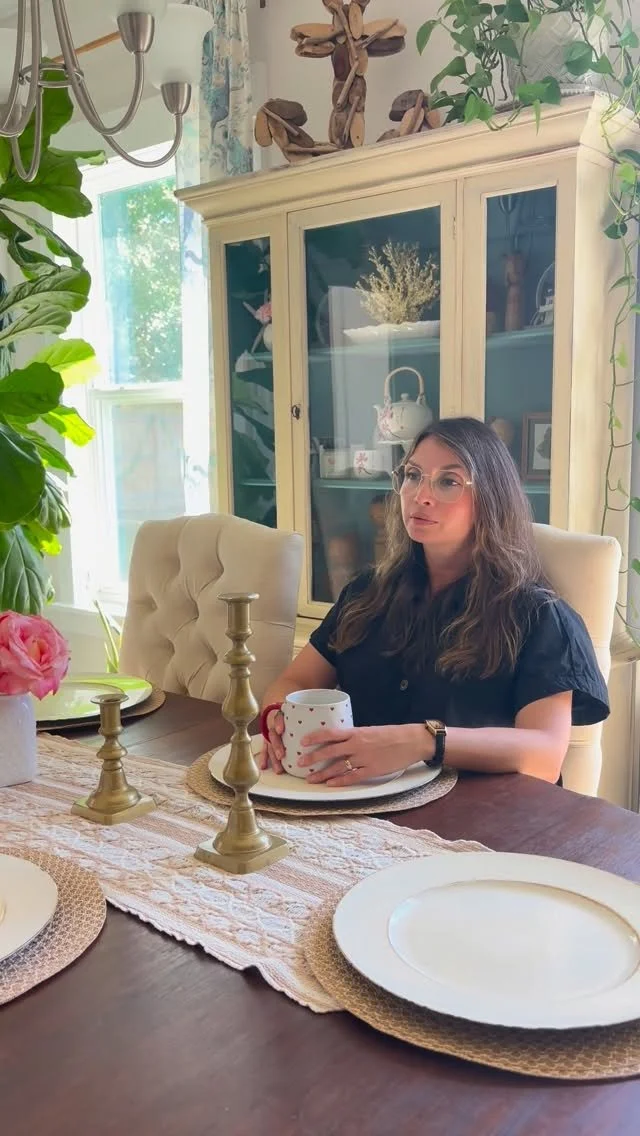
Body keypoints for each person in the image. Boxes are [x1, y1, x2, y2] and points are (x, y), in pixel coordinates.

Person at [260, 417, 609, 787]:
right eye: (413, 475)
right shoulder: (366, 593)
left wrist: (423, 741)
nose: (420, 495)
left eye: (448, 482)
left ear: (491, 498)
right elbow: (296, 680)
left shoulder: (539, 616)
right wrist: (278, 716)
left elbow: (544, 755)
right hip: (354, 801)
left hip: (479, 811)